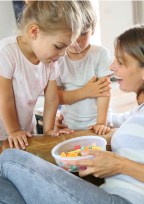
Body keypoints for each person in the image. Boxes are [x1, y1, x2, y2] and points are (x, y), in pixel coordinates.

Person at [0, 25, 144, 204]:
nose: (111, 67)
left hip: (123, 200)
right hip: (106, 192)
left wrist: (120, 165)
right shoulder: (143, 110)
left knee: (10, 157)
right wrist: (75, 119)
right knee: (6, 186)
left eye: (120, 61)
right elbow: (116, 120)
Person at [0, 1, 84, 149]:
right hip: (5, 132)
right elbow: (5, 98)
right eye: (58, 46)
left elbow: (52, 99)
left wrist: (48, 130)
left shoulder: (50, 61)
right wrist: (13, 131)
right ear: (34, 32)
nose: (63, 54)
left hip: (24, 131)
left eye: (66, 48)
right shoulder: (7, 52)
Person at [57, 1, 113, 135]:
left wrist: (101, 123)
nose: (76, 39)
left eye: (82, 33)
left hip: (97, 123)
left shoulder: (100, 54)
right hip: (69, 125)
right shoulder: (57, 57)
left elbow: (104, 93)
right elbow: (56, 97)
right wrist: (87, 91)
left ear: (93, 30)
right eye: (70, 32)